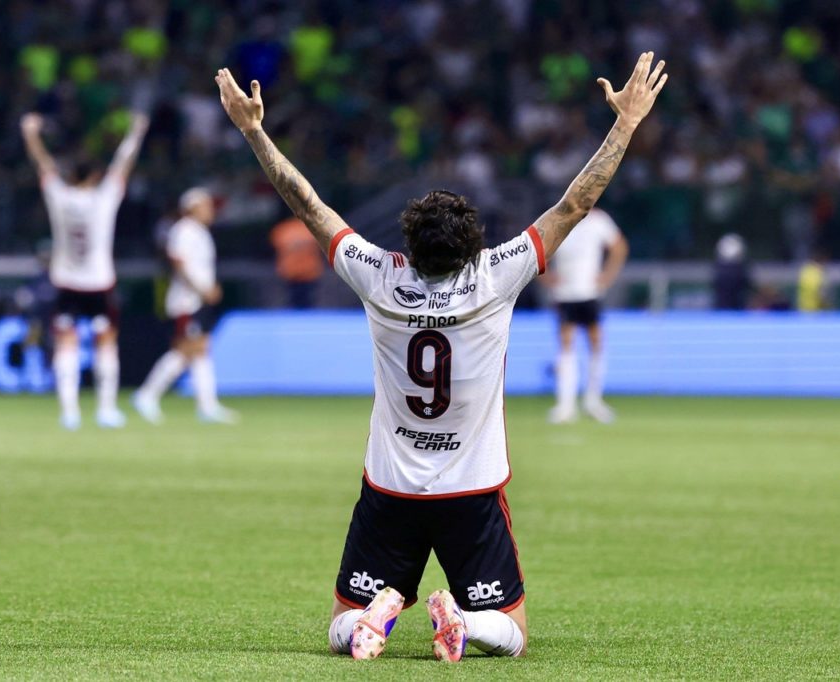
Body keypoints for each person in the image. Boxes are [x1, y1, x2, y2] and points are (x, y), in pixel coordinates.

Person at [216, 52, 666, 662]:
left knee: (337, 630)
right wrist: (626, 124)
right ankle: (465, 621)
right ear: (473, 244)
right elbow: (572, 207)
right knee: (513, 637)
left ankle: (375, 619)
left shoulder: (378, 276)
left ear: (408, 243)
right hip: (472, 490)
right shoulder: (494, 277)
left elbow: (308, 205)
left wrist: (254, 132)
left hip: (391, 488)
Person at [20, 111, 149, 430]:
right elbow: (123, 165)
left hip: (65, 282)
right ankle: (106, 409)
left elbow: (44, 165)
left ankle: (70, 411)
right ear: (93, 176)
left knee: (66, 344)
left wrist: (31, 134)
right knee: (106, 343)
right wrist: (136, 132)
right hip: (99, 282)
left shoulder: (59, 196)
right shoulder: (104, 198)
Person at [133, 188, 239, 424]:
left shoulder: (200, 232)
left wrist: (210, 287)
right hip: (185, 300)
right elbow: (178, 262)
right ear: (191, 207)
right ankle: (147, 394)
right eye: (206, 206)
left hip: (197, 300)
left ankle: (207, 405)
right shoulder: (183, 230)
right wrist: (203, 288)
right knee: (185, 349)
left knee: (200, 349)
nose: (211, 211)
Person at [545, 207, 628, 424]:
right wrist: (547, 277)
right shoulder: (559, 219)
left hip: (589, 291)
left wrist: (607, 276)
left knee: (596, 343)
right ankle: (566, 404)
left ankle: (593, 401)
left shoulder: (599, 220)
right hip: (565, 292)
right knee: (566, 344)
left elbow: (619, 246)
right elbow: (538, 250)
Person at [269, 216, 324, 308]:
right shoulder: (310, 229)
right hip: (295, 272)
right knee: (297, 299)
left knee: (305, 299)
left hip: (305, 272)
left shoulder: (284, 229)